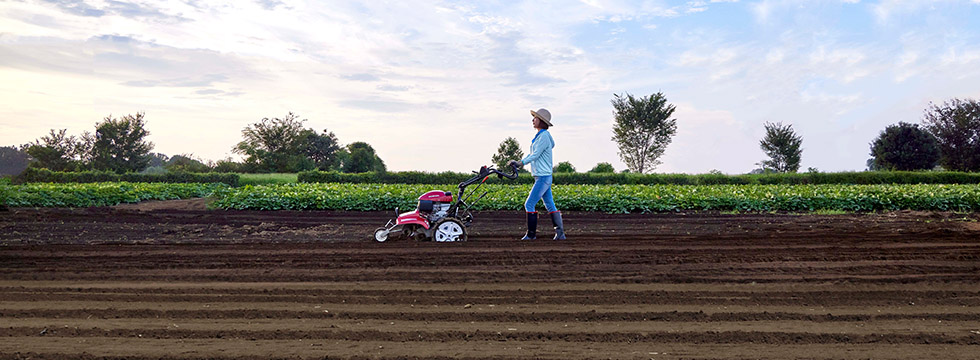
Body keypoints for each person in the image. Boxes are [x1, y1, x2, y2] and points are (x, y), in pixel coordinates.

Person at [508, 108, 566, 240]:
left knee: (529, 204)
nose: (532, 120)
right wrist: (520, 161)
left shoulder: (544, 136)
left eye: (535, 118)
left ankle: (531, 235)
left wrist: (521, 163)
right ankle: (560, 234)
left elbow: (536, 154)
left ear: (541, 121)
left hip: (543, 177)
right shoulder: (540, 136)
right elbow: (533, 154)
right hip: (542, 176)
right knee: (550, 204)